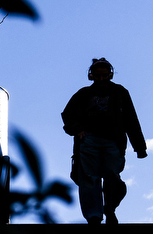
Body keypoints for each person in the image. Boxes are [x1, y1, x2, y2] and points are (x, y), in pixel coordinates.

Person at [61, 57, 148, 224]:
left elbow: (131, 119)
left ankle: (109, 207)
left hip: (113, 141)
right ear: (91, 75)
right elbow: (67, 114)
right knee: (89, 178)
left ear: (110, 75)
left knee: (112, 177)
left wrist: (140, 147)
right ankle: (94, 216)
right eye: (98, 75)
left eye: (104, 75)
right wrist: (78, 129)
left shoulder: (120, 92)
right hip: (89, 140)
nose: (101, 79)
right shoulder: (83, 94)